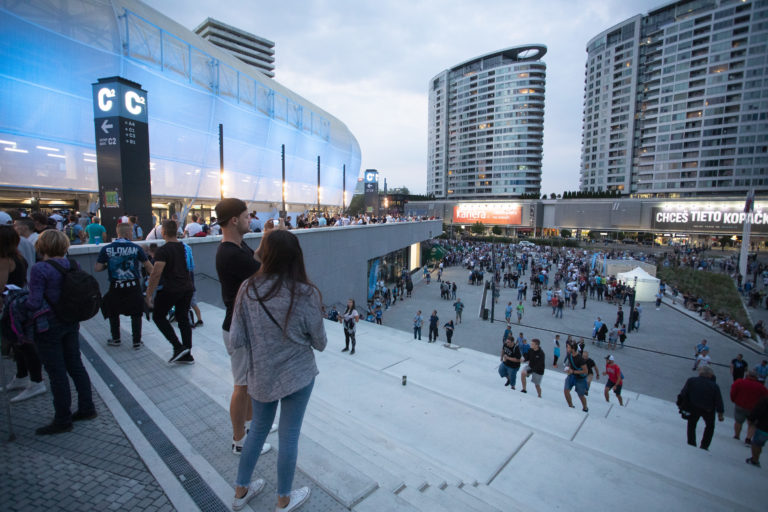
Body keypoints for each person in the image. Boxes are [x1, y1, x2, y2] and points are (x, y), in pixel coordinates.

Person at [229, 229, 326, 511]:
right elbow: (320, 342)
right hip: (298, 375)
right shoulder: (305, 292)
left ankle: (240, 491)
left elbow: (236, 339)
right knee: (289, 435)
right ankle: (283, 499)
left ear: (266, 254)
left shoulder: (247, 288)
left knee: (257, 430)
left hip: (261, 375)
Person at [214, 198, 273, 457]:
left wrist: (267, 239)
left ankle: (249, 430)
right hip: (237, 328)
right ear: (234, 220)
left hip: (243, 326)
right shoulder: (230, 254)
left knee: (247, 383)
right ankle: (240, 441)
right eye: (247, 216)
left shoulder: (237, 247)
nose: (252, 220)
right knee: (241, 386)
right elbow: (263, 272)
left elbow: (256, 258)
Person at [23, 230, 96, 434]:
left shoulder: (40, 269)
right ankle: (87, 407)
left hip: (48, 326)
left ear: (42, 246)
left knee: (57, 372)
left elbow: (34, 302)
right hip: (71, 321)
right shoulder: (73, 265)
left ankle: (62, 418)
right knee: (76, 365)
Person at [0, 225, 45, 403]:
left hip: (10, 305)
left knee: (23, 343)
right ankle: (22, 376)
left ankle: (36, 380)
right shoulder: (18, 256)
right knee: (20, 343)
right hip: (21, 301)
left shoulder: (5, 260)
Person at [95, 223, 153, 350]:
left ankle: (116, 339)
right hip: (133, 286)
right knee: (136, 313)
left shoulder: (107, 249)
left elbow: (98, 268)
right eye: (131, 232)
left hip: (115, 286)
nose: (132, 234)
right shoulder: (136, 248)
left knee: (113, 312)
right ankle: (136, 341)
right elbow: (149, 267)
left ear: (118, 233)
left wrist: (108, 265)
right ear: (127, 233)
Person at [145, 220, 195, 364]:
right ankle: (187, 353)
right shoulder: (183, 247)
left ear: (163, 232)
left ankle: (178, 347)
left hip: (172, 289)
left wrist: (149, 294)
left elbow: (156, 274)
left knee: (158, 316)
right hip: (187, 287)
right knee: (183, 318)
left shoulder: (163, 250)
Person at [679, 366, 724, 450]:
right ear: (710, 375)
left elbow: (683, 393)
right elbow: (718, 400)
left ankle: (691, 442)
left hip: (693, 407)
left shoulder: (691, 380)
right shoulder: (714, 386)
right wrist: (720, 414)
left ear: (700, 373)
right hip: (708, 409)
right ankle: (704, 445)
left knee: (691, 424)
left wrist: (681, 405)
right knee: (710, 426)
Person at [730, 369, 768, 443]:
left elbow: (733, 392)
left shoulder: (739, 382)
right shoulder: (761, 387)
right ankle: (748, 438)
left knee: (738, 421)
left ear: (747, 375)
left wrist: (734, 400)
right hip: (753, 408)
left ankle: (737, 435)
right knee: (752, 424)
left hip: (740, 405)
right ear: (756, 378)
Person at [563, 342, 589, 412]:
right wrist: (568, 369)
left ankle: (585, 408)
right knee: (566, 390)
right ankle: (570, 406)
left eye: (568, 347)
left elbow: (585, 371)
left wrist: (573, 371)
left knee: (581, 395)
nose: (567, 349)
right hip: (572, 376)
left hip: (580, 378)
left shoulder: (580, 359)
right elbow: (571, 364)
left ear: (573, 349)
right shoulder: (569, 355)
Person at [746, 396, 768, 467]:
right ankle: (756, 458)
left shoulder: (765, 400)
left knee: (756, 443)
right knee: (760, 444)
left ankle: (755, 459)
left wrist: (751, 419)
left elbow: (758, 410)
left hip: (763, 426)